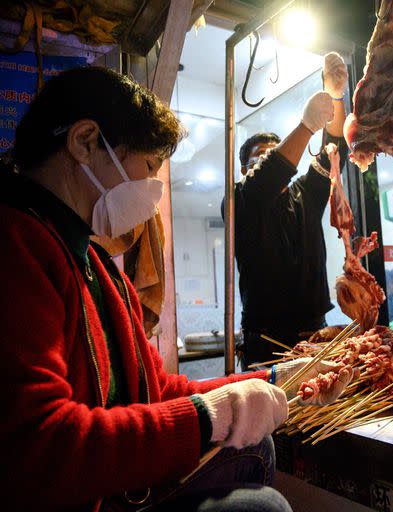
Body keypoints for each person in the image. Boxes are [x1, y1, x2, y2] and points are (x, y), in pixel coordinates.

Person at [0, 66, 353, 511]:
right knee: (266, 506)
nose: (151, 187)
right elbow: (37, 448)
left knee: (257, 447)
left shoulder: (97, 267)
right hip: (86, 492)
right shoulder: (17, 244)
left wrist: (276, 378)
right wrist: (212, 416)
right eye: (148, 166)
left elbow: (158, 388)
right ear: (84, 141)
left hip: (304, 330)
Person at [224, 52, 349, 370]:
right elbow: (268, 177)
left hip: (315, 334)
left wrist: (335, 97)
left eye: (274, 154)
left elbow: (334, 153)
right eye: (259, 159)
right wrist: (306, 126)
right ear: (244, 169)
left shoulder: (303, 192)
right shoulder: (239, 199)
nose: (270, 162)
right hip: (265, 341)